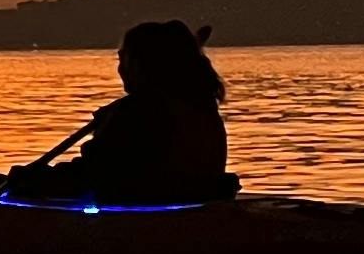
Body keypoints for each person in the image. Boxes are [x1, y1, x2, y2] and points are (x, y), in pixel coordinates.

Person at [15, 19, 235, 204]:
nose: (119, 68)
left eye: (123, 58)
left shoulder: (139, 112)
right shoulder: (202, 105)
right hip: (193, 204)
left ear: (141, 63)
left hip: (157, 212)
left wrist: (36, 179)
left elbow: (93, 174)